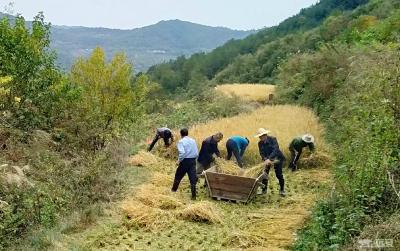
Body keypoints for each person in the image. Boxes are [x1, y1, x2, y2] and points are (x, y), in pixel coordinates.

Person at [256, 128, 286, 197]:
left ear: (265, 135)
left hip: (277, 158)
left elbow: (276, 149)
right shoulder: (260, 143)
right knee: (264, 174)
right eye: (259, 137)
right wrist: (265, 159)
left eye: (262, 136)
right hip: (267, 160)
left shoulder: (273, 139)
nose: (261, 138)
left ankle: (282, 190)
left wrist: (270, 158)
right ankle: (264, 190)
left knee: (279, 174)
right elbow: (261, 153)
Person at [171, 128, 199, 200]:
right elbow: (196, 151)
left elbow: (182, 153)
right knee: (192, 178)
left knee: (178, 175)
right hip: (193, 161)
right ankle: (193, 196)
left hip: (185, 161)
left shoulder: (181, 142)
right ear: (187, 133)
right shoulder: (193, 140)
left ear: (181, 134)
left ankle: (173, 191)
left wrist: (179, 161)